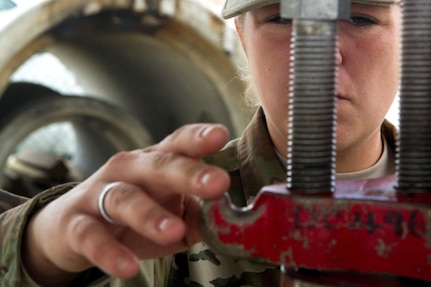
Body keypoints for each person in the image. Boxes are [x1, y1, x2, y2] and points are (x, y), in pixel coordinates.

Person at [0, 0, 403, 286]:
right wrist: (38, 252)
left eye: (360, 17)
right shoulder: (176, 212)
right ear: (244, 37)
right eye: (282, 16)